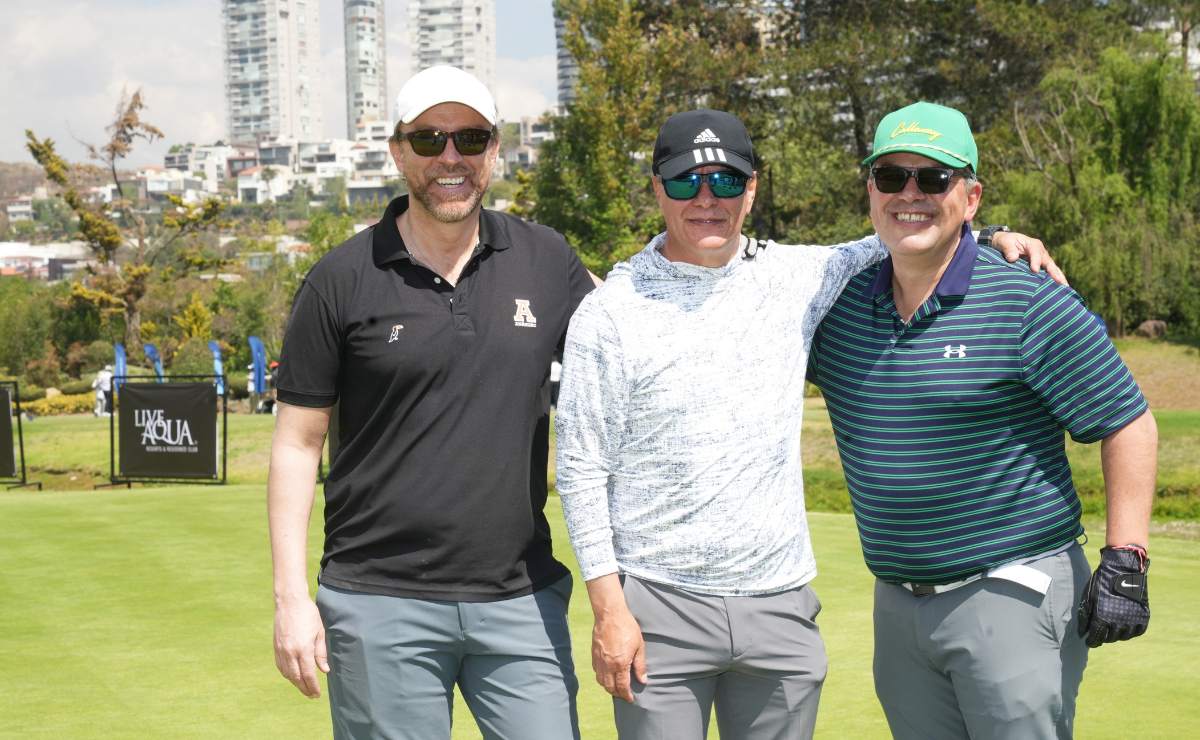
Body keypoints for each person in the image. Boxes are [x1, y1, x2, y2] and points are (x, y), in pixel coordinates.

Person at [554, 109, 1054, 739]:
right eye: (685, 183)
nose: (707, 200)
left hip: (780, 608)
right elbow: (580, 468)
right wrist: (609, 611)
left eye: (726, 183)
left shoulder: (800, 276)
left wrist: (994, 232)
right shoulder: (609, 313)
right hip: (659, 607)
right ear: (657, 188)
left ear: (753, 188)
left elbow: (909, 228)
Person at [809, 101, 1156, 739]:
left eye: (933, 179)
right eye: (892, 177)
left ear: (970, 197)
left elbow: (1127, 421)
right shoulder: (840, 306)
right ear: (871, 192)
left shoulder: (1027, 298)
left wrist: (1127, 556)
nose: (909, 194)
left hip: (1011, 591)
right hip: (898, 601)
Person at [267, 65, 594, 740]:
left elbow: (631, 354)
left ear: (495, 151)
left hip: (521, 599)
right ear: (398, 151)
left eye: (471, 139)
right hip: (378, 599)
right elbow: (298, 444)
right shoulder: (339, 280)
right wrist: (290, 599)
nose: (452, 158)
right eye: (430, 140)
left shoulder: (547, 260)